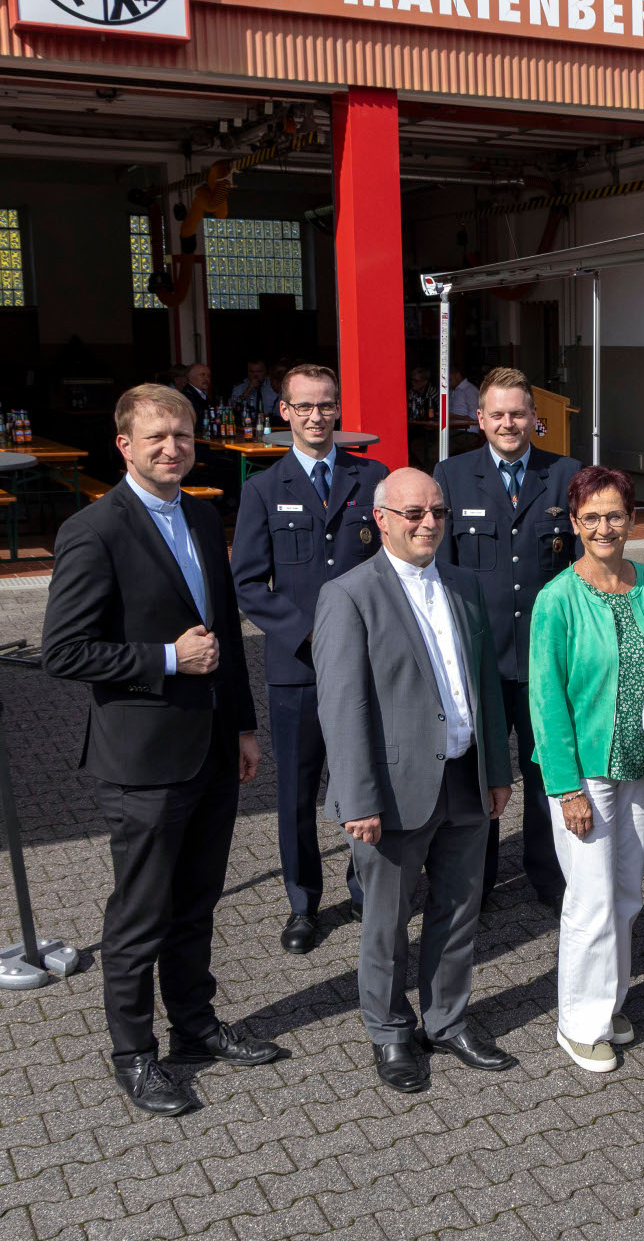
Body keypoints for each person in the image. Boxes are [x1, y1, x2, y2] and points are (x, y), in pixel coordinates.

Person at [42, 384, 282, 1116]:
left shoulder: (206, 516)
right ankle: (134, 1055)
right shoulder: (94, 530)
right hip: (143, 761)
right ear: (123, 445)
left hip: (211, 748)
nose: (172, 447)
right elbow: (64, 651)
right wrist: (168, 660)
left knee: (197, 903)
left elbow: (225, 637)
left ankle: (196, 1028)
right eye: (155, 438)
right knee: (139, 915)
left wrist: (243, 724)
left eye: (181, 434)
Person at [314, 468, 517, 1094]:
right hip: (393, 791)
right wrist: (358, 797)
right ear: (381, 519)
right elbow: (342, 707)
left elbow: (484, 681)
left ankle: (448, 1018)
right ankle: (390, 1029)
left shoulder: (462, 584)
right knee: (386, 918)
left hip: (464, 777)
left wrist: (497, 770)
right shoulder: (349, 595)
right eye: (412, 513)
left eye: (437, 511)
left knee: (459, 908)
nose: (428, 522)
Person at [231, 363, 387, 952]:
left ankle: (366, 887)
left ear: (338, 408)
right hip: (297, 669)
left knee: (365, 777)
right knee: (296, 790)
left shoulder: (372, 478)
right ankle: (303, 902)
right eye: (304, 406)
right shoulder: (263, 490)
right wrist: (314, 636)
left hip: (368, 664)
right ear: (284, 413)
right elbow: (248, 583)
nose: (316, 416)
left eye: (326, 406)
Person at [528, 465, 644, 1073]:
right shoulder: (556, 599)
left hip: (640, 767)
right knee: (589, 900)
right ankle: (578, 1023)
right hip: (586, 774)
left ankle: (607, 1003)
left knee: (627, 897)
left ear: (633, 519)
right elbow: (546, 699)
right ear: (575, 522)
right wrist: (564, 787)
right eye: (592, 517)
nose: (605, 527)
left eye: (616, 515)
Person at [434, 366, 580, 909]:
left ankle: (549, 875)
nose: (508, 423)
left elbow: (583, 566)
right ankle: (480, 880)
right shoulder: (451, 476)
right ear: (480, 419)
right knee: (481, 775)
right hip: (481, 661)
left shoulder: (565, 474)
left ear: (535, 419)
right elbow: (442, 571)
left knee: (545, 770)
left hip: (545, 660)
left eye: (518, 413)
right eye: (497, 414)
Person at [178, 362, 213, 433]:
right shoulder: (187, 396)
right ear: (190, 377)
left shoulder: (202, 394)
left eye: (208, 376)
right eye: (202, 375)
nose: (206, 379)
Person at [447, 365, 480, 432]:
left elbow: (475, 417)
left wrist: (451, 416)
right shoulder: (452, 390)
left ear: (457, 375)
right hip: (454, 432)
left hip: (467, 433)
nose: (447, 382)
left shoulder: (470, 390)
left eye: (450, 379)